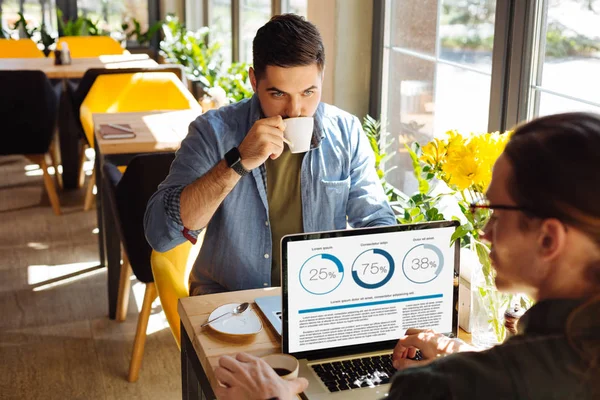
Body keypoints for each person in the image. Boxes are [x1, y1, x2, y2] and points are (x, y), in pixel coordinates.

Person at [213, 112, 600, 400]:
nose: (485, 232)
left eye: (496, 214)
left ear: (549, 238)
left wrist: (272, 398)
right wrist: (469, 355)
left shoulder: (441, 387)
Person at [144, 14, 395, 295]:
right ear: (254, 80)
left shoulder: (345, 131)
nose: (295, 110)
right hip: (230, 301)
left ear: (322, 76)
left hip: (320, 299)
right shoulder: (212, 132)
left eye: (308, 92)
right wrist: (237, 163)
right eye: (278, 94)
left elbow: (377, 220)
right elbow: (160, 234)